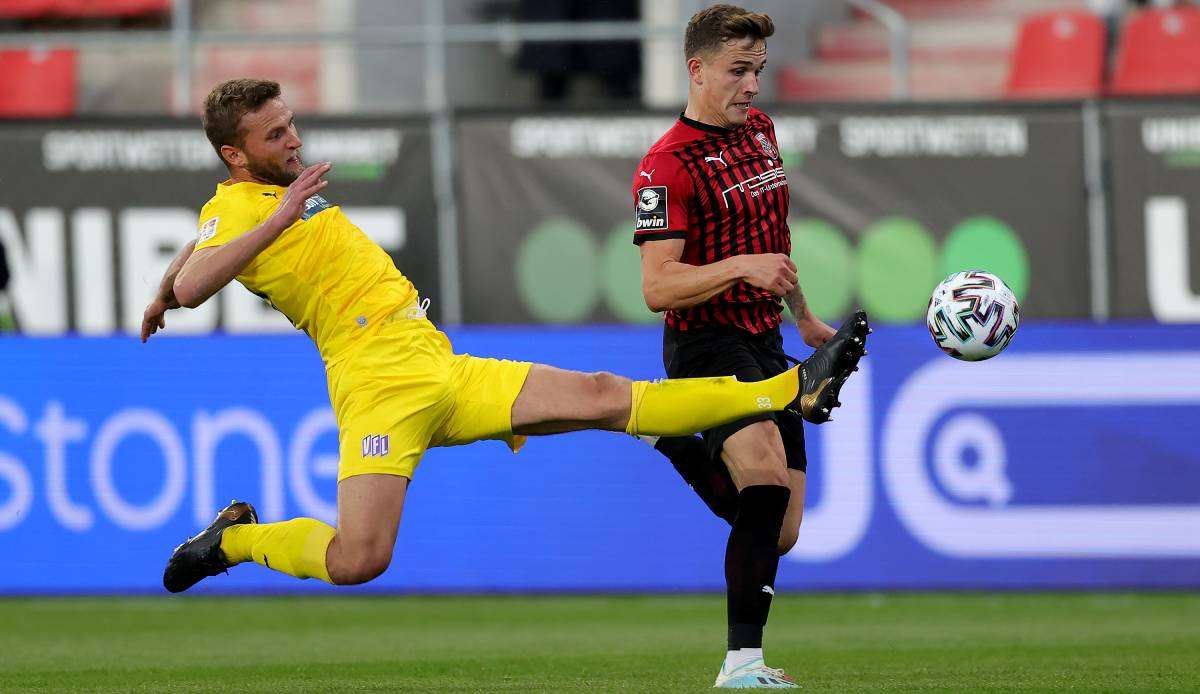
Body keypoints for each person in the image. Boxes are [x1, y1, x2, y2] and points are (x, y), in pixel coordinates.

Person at [143, 78, 867, 602]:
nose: (294, 139)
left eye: (292, 123)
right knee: (359, 558)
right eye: (275, 135)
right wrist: (235, 246)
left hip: (433, 360)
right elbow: (197, 282)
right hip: (376, 386)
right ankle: (233, 541)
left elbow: (189, 262)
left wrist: (164, 285)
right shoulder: (246, 206)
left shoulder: (250, 200)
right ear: (235, 157)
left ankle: (788, 389)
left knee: (602, 395)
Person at [631, 5, 869, 688]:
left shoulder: (760, 132)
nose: (752, 87)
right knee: (763, 478)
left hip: (765, 338)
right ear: (696, 69)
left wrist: (805, 318)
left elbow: (774, 240)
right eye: (739, 71)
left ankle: (669, 438)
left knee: (782, 529)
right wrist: (739, 269)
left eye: (759, 71)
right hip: (706, 343)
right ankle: (742, 664)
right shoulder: (664, 167)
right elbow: (657, 286)